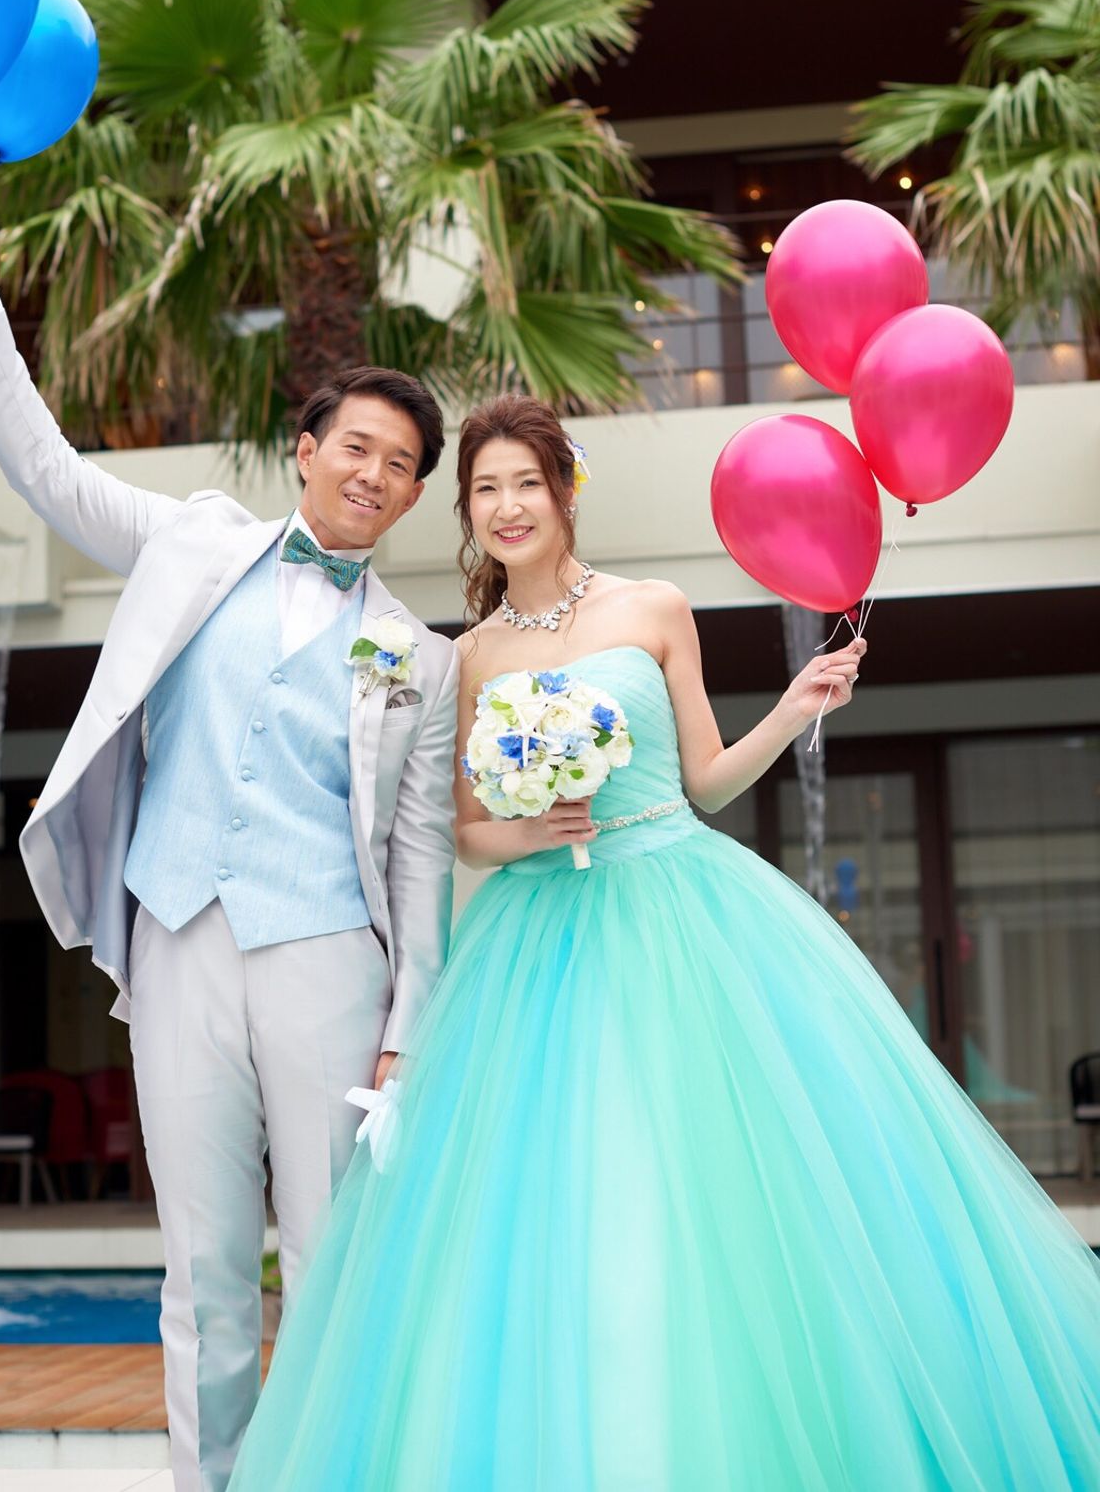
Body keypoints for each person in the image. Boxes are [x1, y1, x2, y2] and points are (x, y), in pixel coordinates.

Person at [230, 393, 1100, 1490]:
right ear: (466, 511)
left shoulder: (653, 608)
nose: (506, 506)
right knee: (556, 1207)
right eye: (484, 490)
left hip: (678, 915)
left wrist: (793, 708)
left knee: (712, 1185)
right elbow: (463, 831)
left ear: (565, 492)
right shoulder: (466, 655)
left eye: (525, 483)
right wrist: (531, 826)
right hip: (535, 945)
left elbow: (706, 782)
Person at [0, 208, 459, 1492]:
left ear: (412, 495)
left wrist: (406, 1026)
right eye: (356, 446)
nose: (373, 473)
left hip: (327, 958)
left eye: (400, 465)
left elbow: (419, 862)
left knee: (331, 1258)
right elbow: (49, 472)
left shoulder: (421, 659)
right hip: (174, 940)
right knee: (203, 1262)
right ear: (306, 452)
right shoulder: (193, 544)